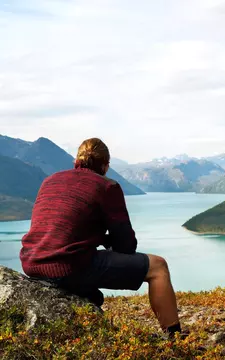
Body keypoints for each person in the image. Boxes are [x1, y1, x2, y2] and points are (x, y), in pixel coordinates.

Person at [20, 137, 183, 337]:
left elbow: (58, 230)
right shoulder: (107, 186)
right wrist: (106, 241)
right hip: (67, 266)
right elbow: (126, 244)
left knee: (92, 291)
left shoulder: (50, 180)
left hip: (32, 263)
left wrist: (96, 239)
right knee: (158, 267)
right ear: (106, 166)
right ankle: (176, 339)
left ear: (76, 162)